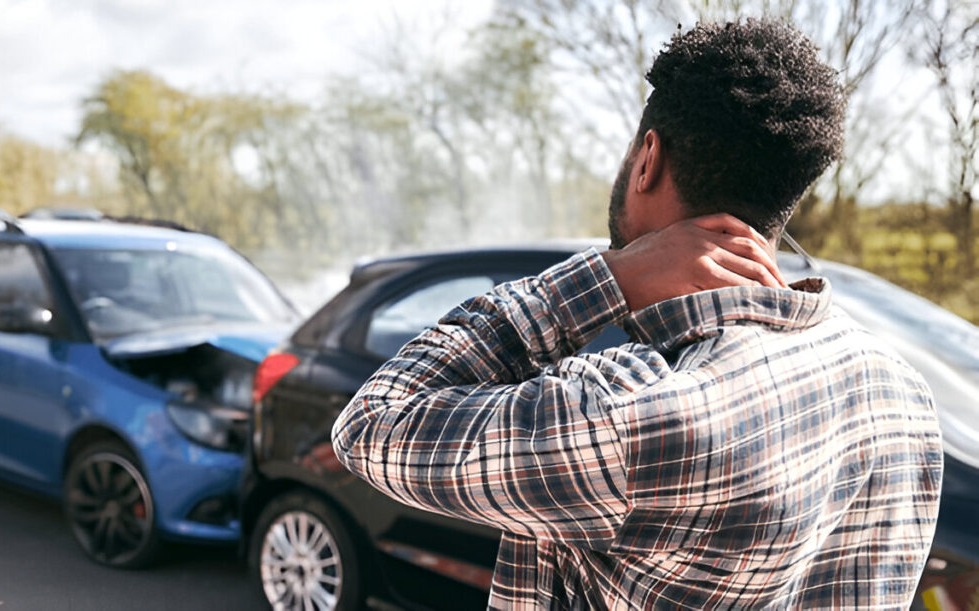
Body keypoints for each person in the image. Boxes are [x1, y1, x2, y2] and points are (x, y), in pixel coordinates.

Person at [332, 19, 943, 610]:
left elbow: (371, 424)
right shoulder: (900, 393)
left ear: (647, 158)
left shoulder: (627, 413)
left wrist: (607, 277)